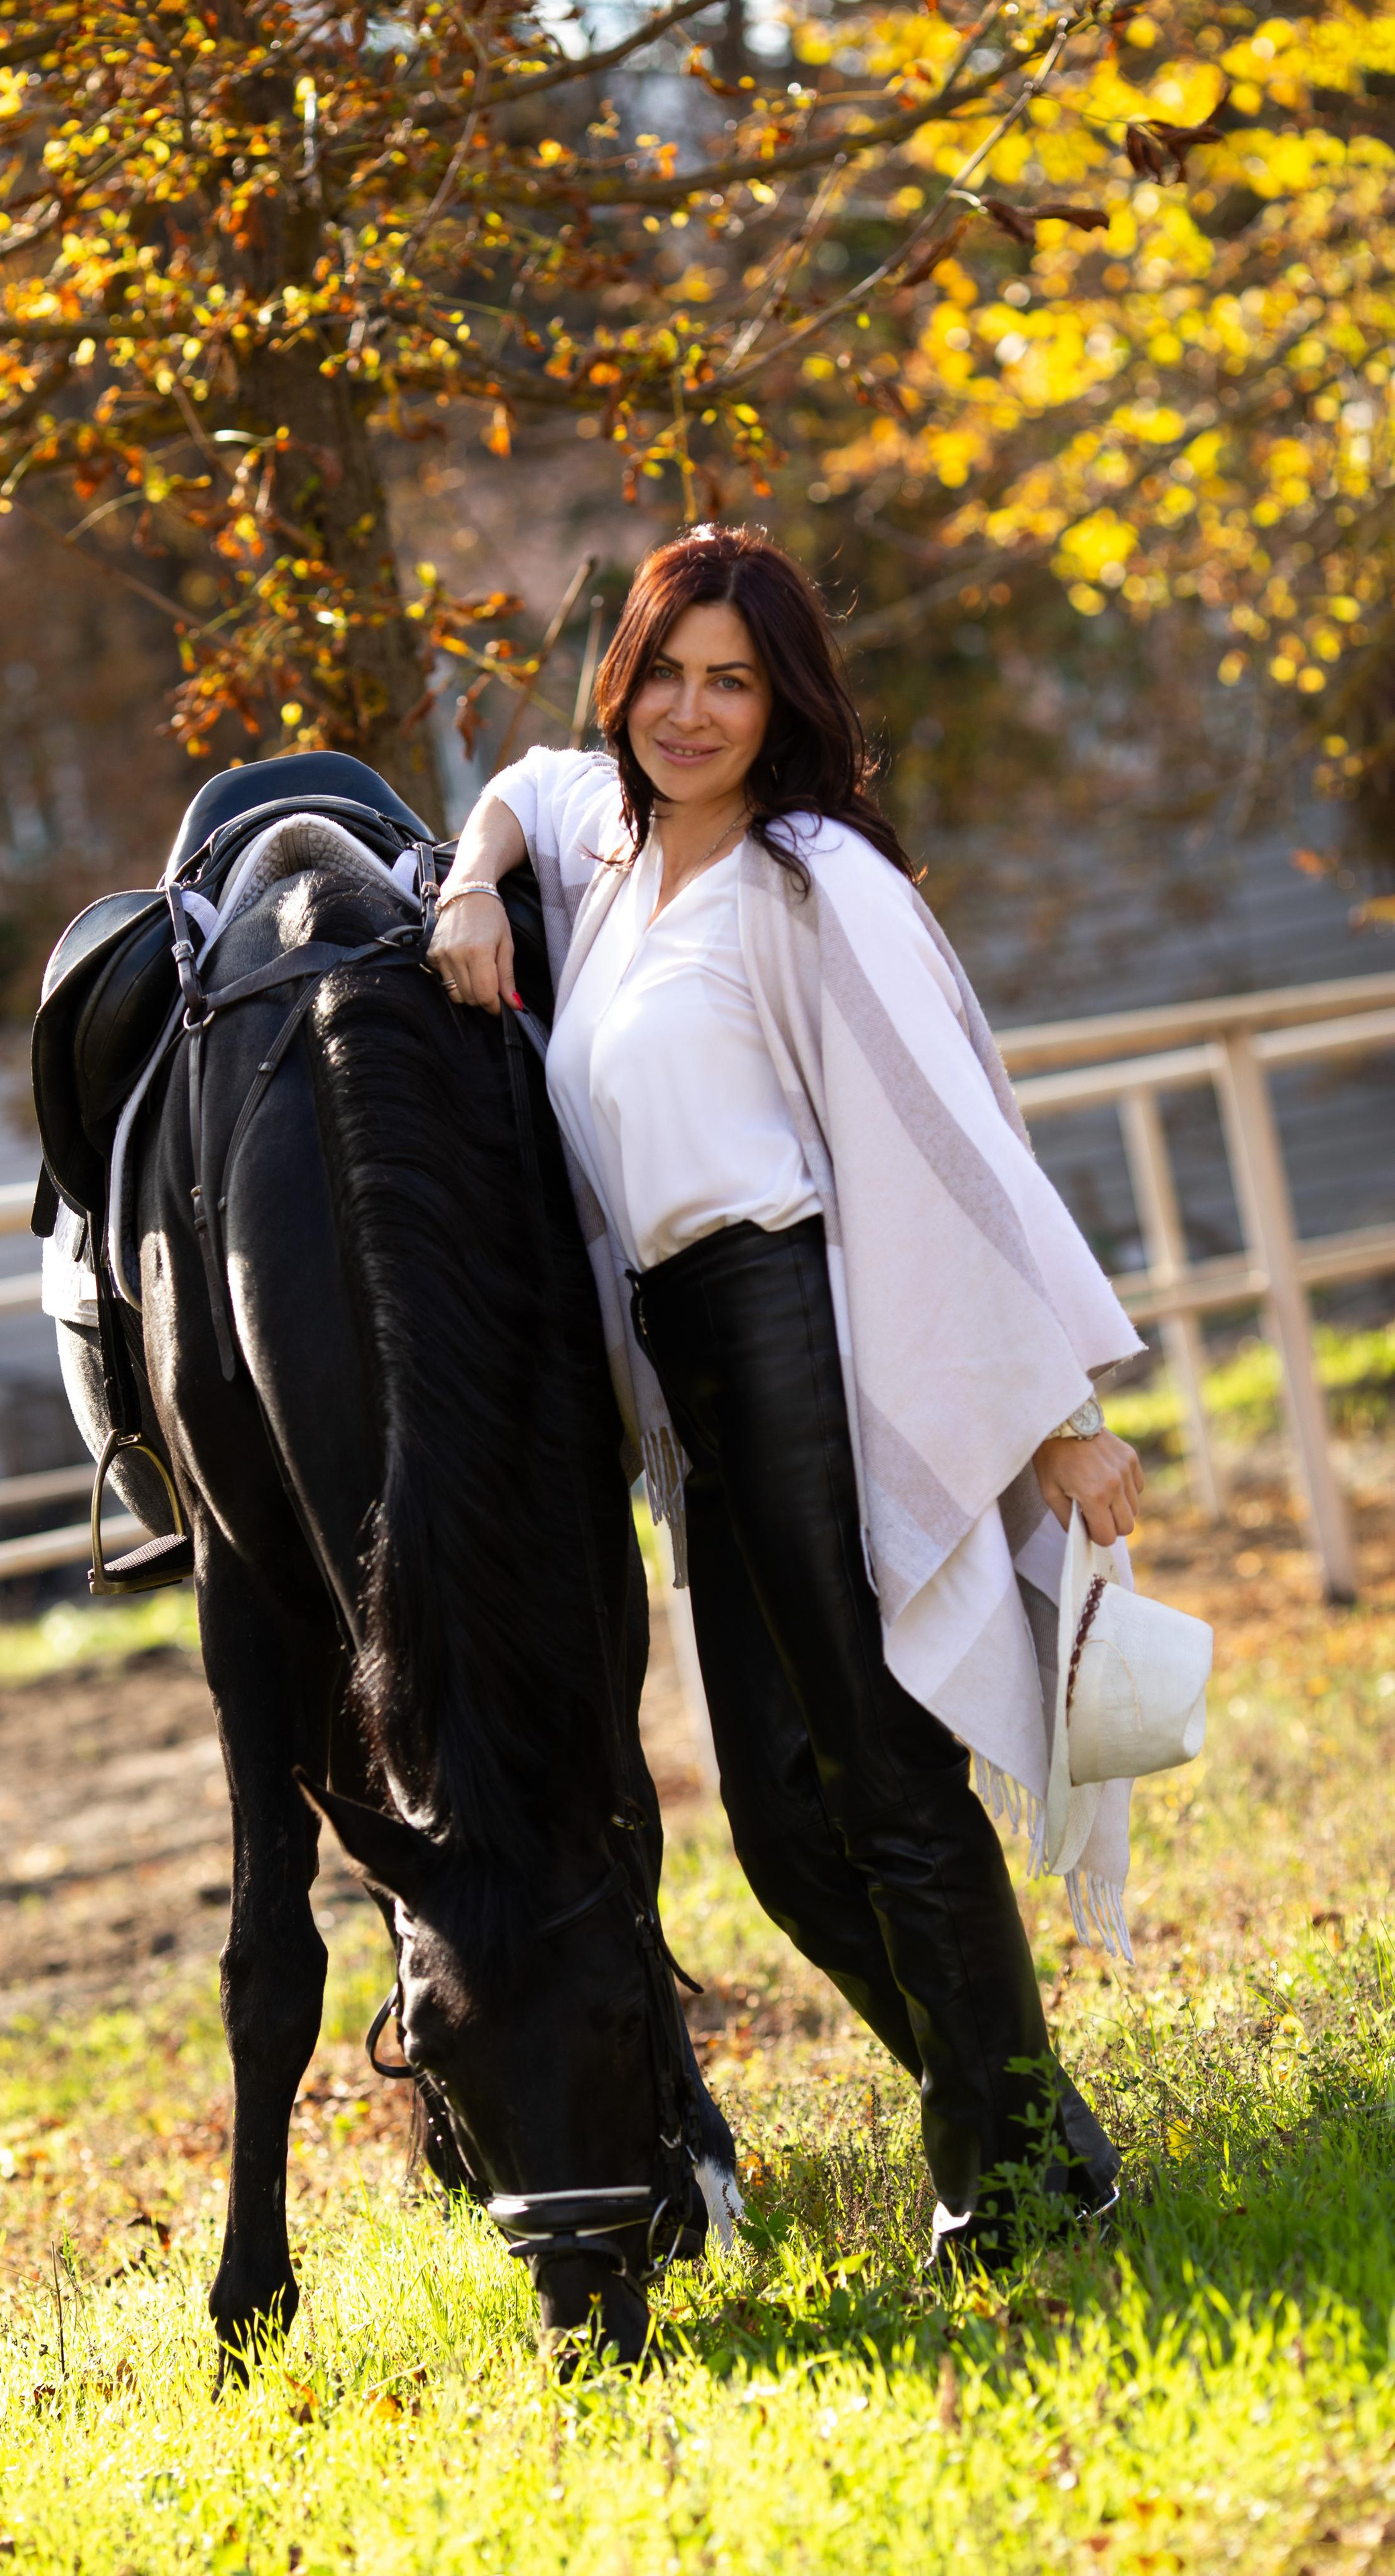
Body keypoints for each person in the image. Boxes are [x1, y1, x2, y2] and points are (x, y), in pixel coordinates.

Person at [427, 523, 1147, 2269]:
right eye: (664, 672)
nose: (690, 710)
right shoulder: (608, 845)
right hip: (684, 1358)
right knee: (772, 1823)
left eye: (730, 683)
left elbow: (949, 1137)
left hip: (791, 1320)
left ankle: (1003, 2184)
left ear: (782, 705)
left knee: (885, 1773)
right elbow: (519, 782)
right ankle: (1031, 2127)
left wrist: (1056, 1415)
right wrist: (463, 881)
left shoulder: (812, 877)